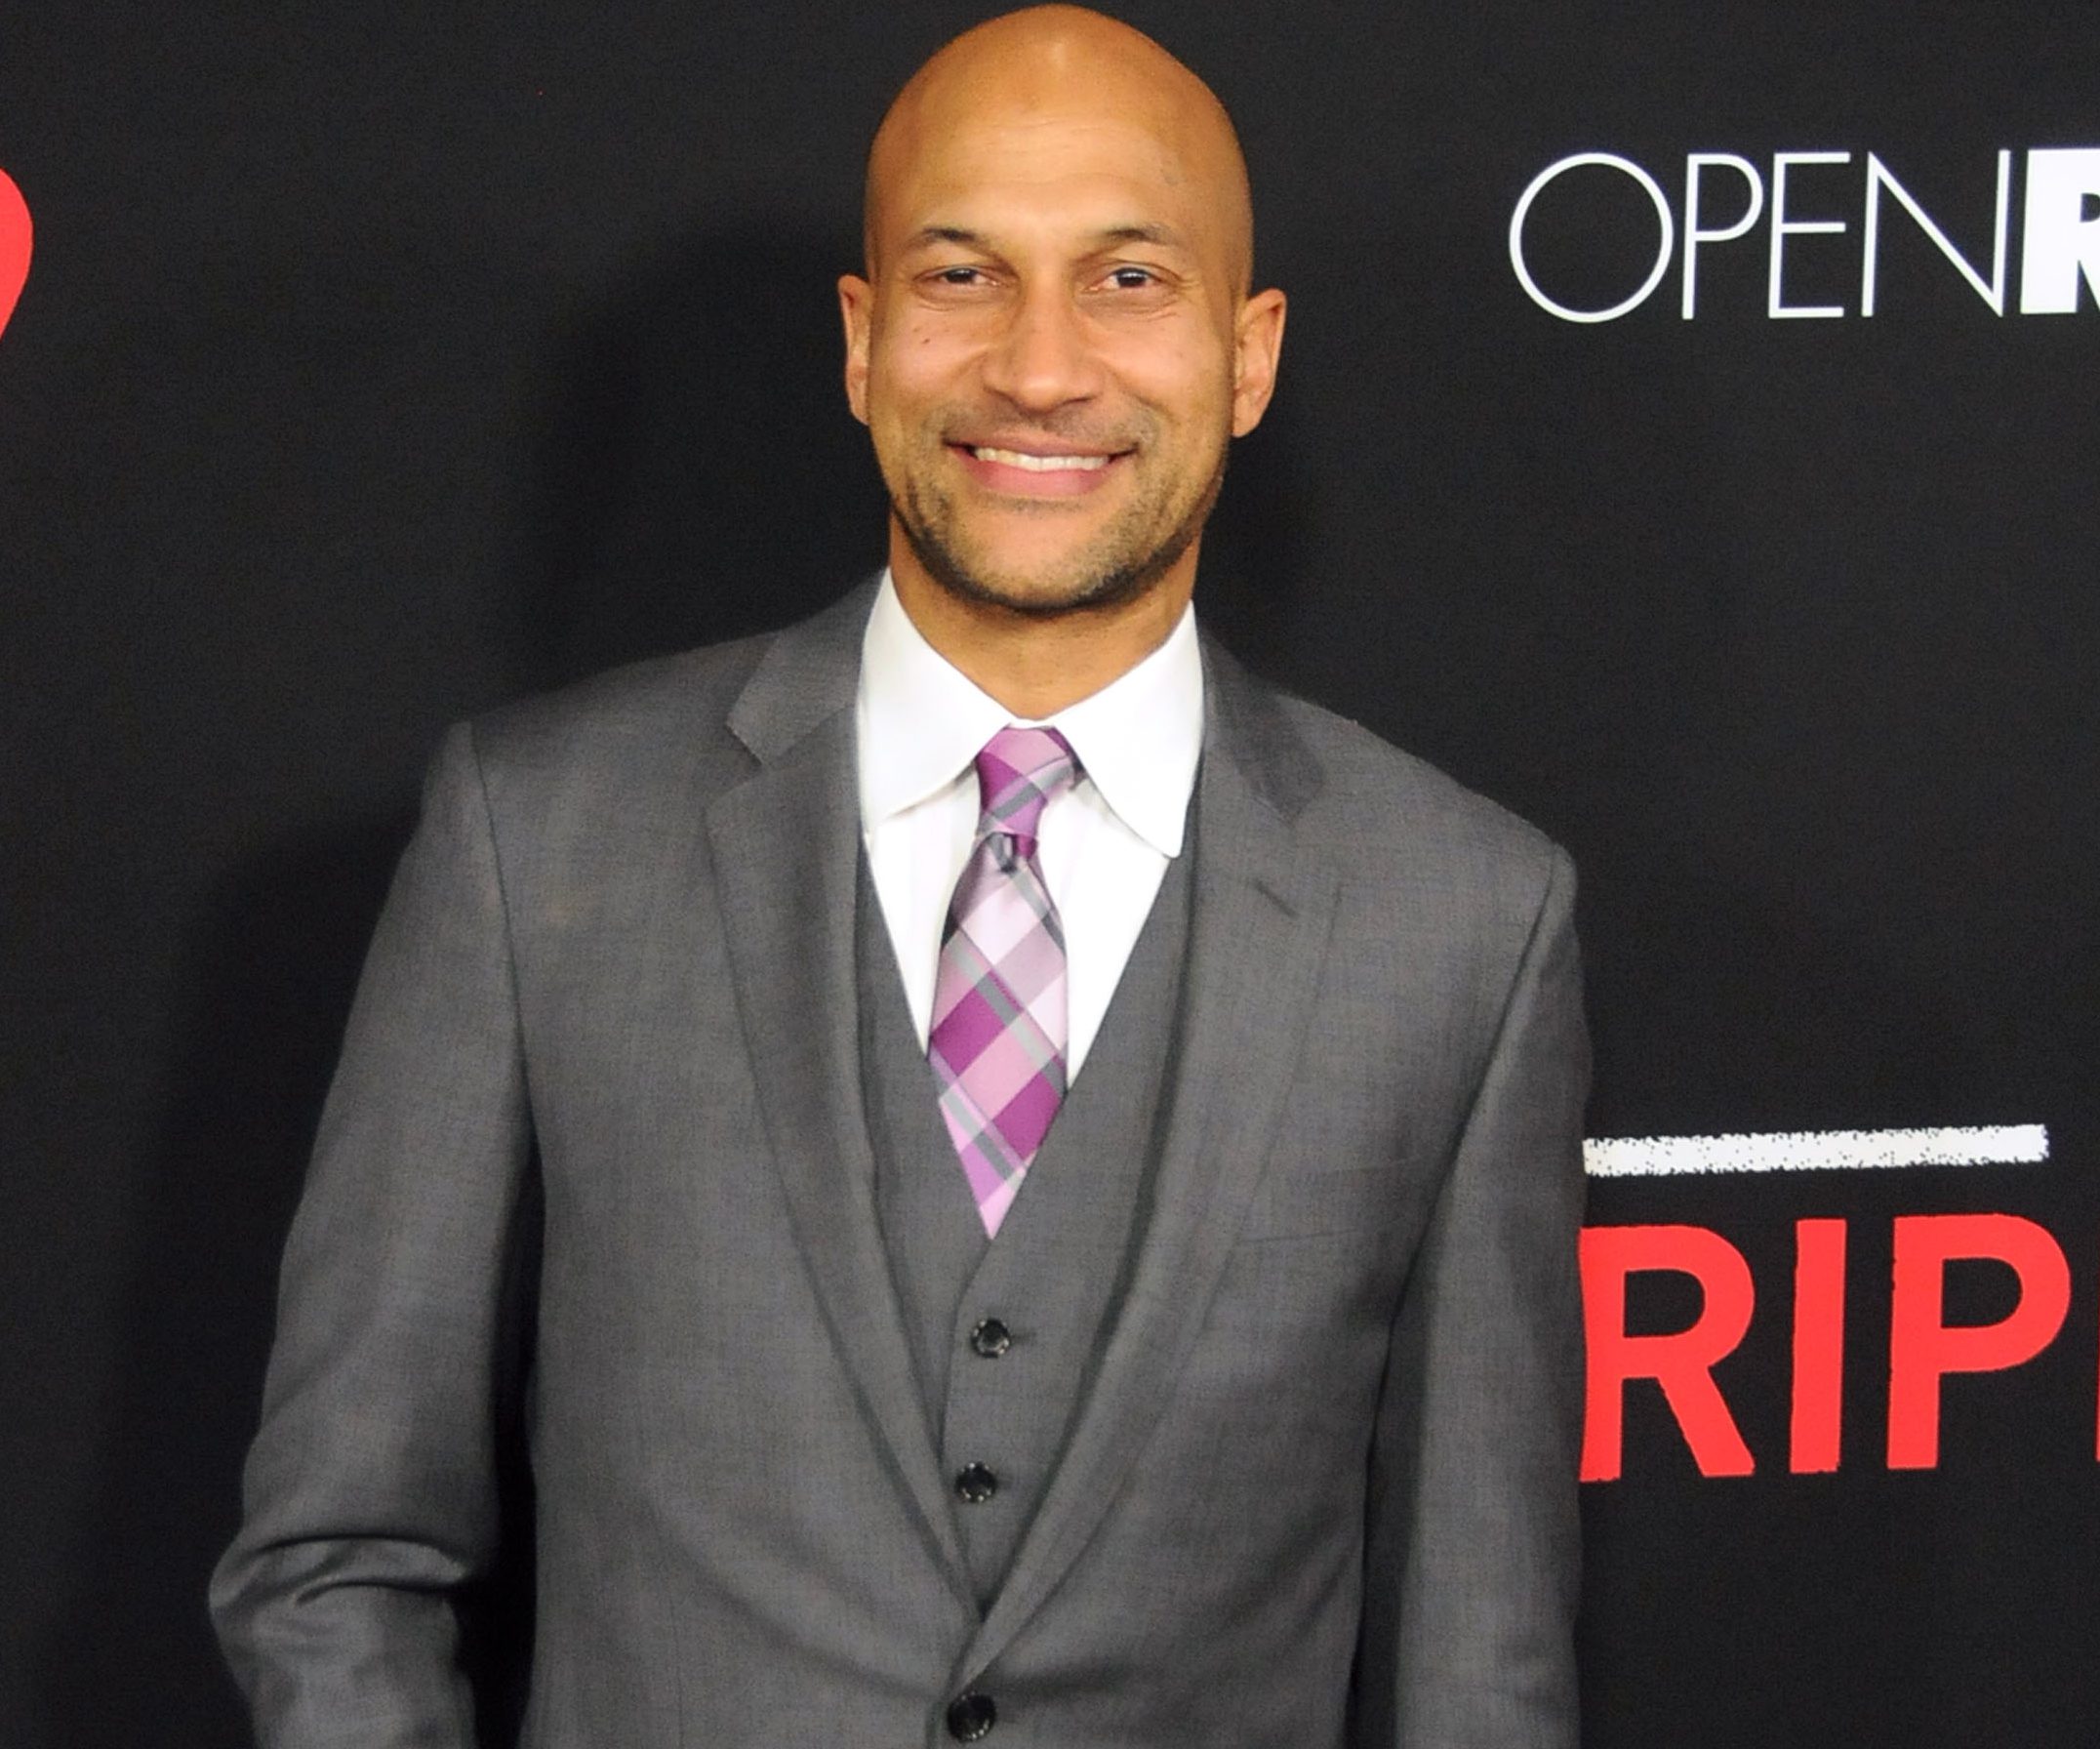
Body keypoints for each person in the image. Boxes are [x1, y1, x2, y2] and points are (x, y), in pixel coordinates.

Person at [210, 7, 1589, 1745]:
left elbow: (1482, 1666)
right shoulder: (533, 836)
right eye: (961, 275)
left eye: (1129, 279)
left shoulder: (1464, 918)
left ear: (1250, 357)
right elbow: (342, 1559)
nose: (1037, 366)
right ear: (864, 341)